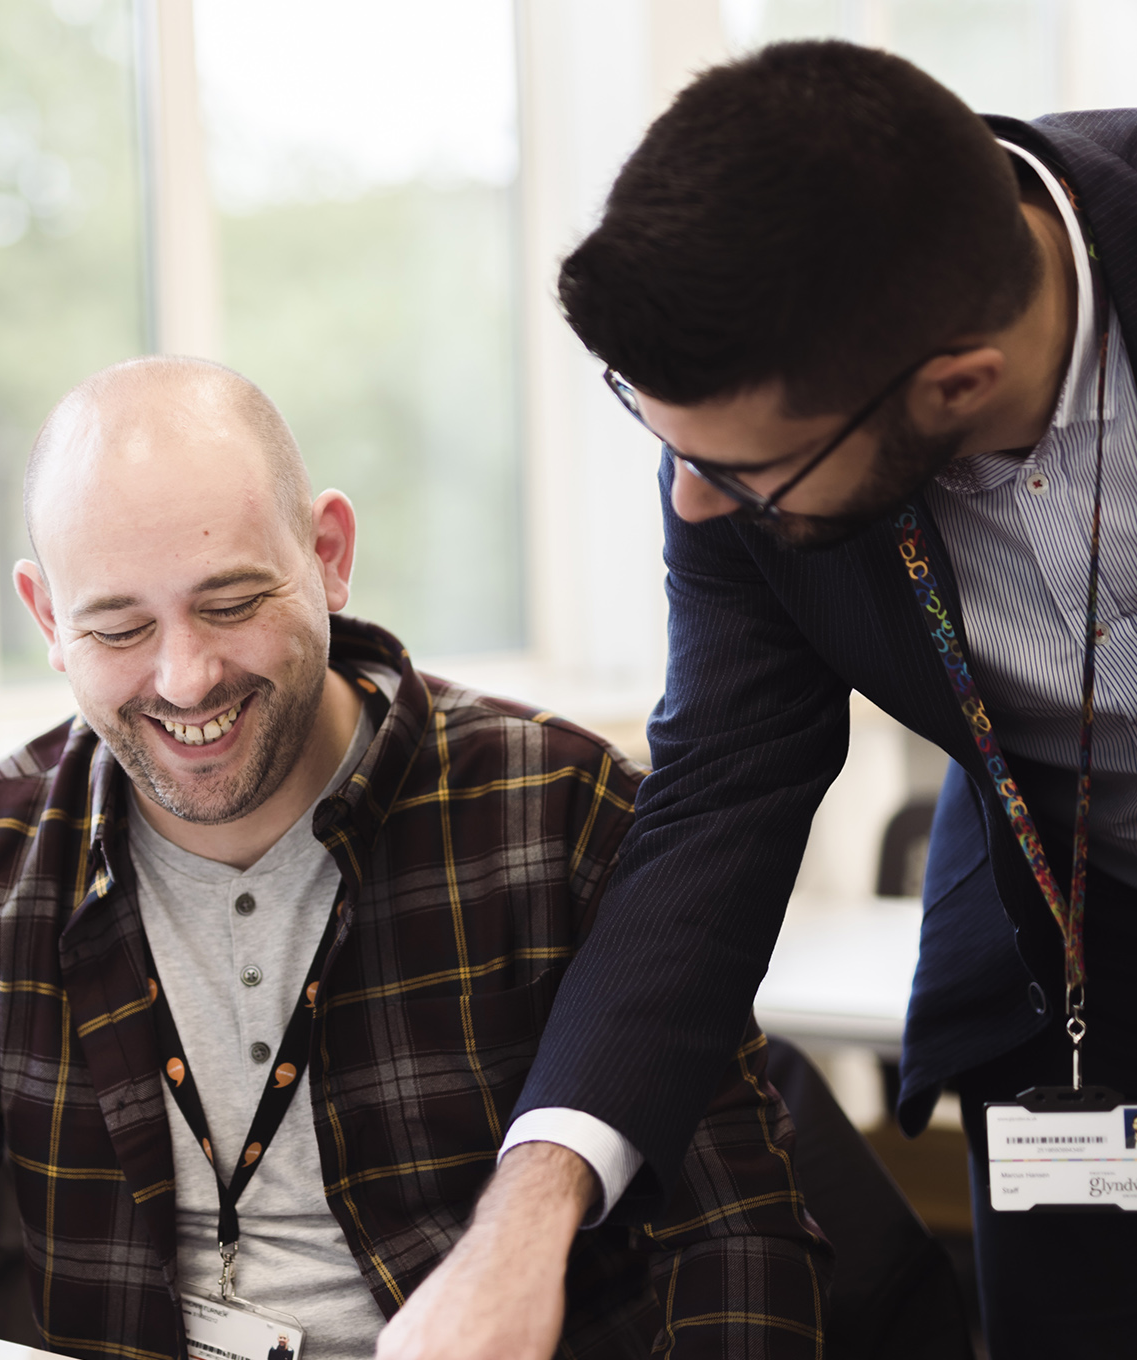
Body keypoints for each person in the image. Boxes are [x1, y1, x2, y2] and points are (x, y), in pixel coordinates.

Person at [0, 357, 829, 1359]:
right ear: (48, 618)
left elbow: (738, 1232)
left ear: (327, 553)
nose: (185, 679)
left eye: (230, 603)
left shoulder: (551, 805)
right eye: (118, 628)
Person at [378, 40, 1137, 1360]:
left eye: (736, 474)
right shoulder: (753, 406)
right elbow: (716, 804)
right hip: (1061, 952)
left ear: (953, 381)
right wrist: (527, 1217)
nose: (685, 503)